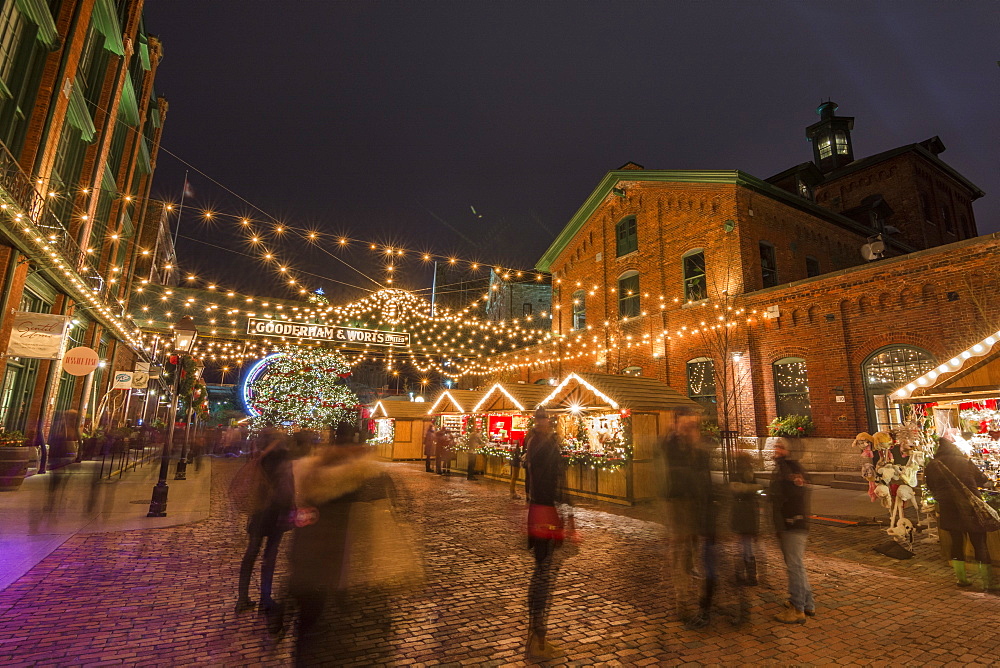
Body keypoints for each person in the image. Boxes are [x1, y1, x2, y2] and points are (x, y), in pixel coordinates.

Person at [290, 421, 401, 665]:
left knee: (310, 632)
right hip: (344, 571)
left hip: (314, 571)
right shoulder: (362, 476)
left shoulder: (312, 471)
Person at [235, 428, 295, 627]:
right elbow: (286, 486)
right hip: (275, 511)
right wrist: (289, 507)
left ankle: (242, 597)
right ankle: (265, 598)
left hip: (259, 511)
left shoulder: (258, 456)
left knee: (251, 552)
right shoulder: (282, 457)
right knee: (269, 556)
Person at [523, 407, 568, 661]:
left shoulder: (537, 443)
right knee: (543, 573)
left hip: (543, 508)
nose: (547, 424)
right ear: (539, 423)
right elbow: (547, 479)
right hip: (543, 509)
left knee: (544, 571)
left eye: (547, 421)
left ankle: (538, 636)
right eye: (544, 421)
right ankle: (537, 639)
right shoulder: (541, 445)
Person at [925, 436, 997, 592]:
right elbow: (982, 480)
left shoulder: (932, 465)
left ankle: (962, 579)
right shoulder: (965, 462)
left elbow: (930, 486)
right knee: (979, 544)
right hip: (971, 508)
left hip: (948, 508)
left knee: (956, 543)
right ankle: (987, 582)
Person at [770, 438, 815, 624]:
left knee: (794, 566)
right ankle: (807, 603)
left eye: (781, 447)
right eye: (777, 446)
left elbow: (793, 494)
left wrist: (788, 520)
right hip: (791, 523)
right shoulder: (785, 467)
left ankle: (797, 608)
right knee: (797, 565)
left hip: (792, 524)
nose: (777, 450)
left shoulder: (790, 469)